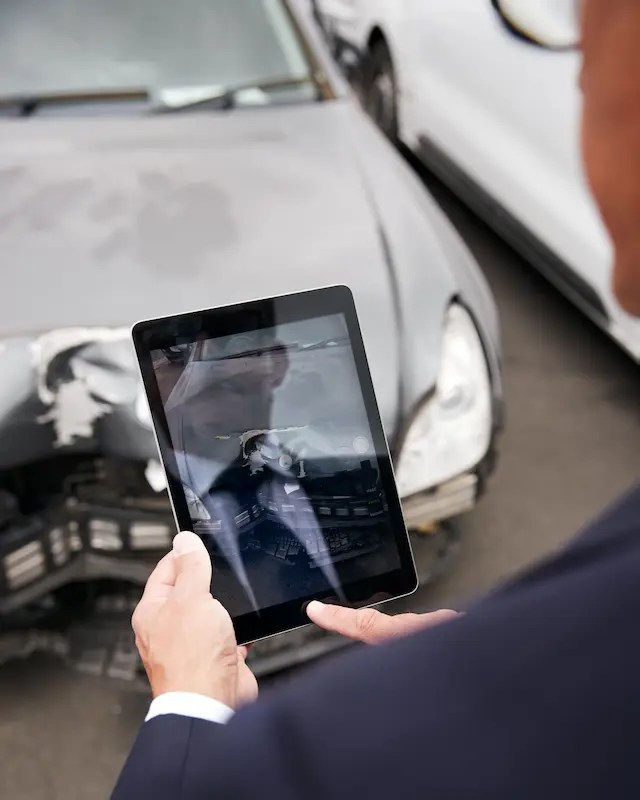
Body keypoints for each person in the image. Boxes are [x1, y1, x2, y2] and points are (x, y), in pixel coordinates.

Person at [113, 1, 640, 797]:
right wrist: (487, 658)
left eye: (582, 24)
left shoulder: (328, 756)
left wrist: (188, 701)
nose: (580, 66)